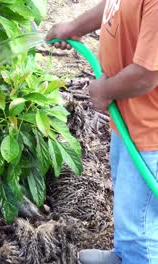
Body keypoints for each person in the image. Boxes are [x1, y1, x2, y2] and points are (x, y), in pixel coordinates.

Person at [46, 0, 158, 263]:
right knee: (129, 204)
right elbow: (114, 5)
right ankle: (125, 254)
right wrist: (74, 27)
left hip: (149, 133)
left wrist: (105, 91)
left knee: (139, 221)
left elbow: (146, 75)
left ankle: (137, 255)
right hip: (129, 122)